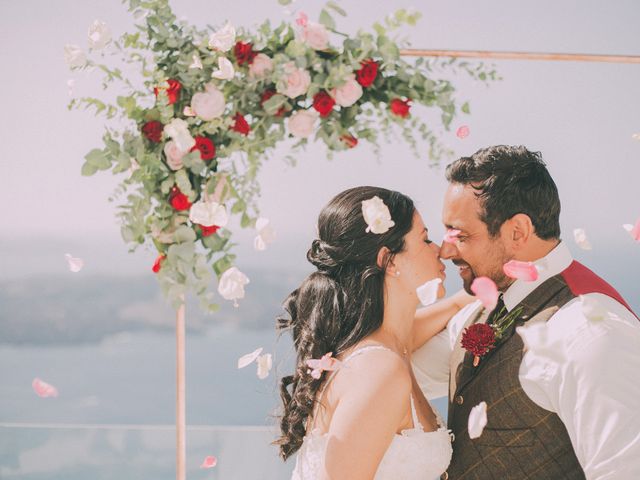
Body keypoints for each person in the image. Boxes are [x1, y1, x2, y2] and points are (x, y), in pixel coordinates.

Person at [413, 145, 640, 479]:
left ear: (517, 232)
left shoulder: (592, 331)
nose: (446, 250)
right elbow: (399, 363)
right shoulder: (475, 313)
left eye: (459, 234)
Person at [276, 186, 474, 479]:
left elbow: (413, 328)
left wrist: (473, 297)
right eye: (425, 239)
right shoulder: (379, 369)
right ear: (389, 260)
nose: (441, 250)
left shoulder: (386, 345)